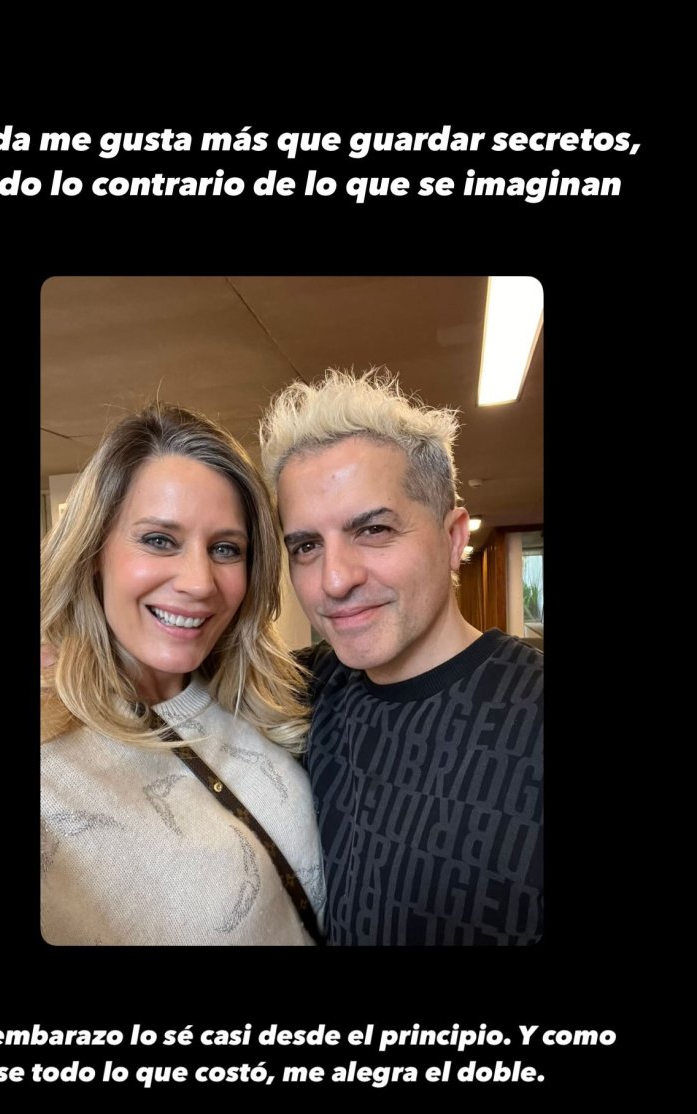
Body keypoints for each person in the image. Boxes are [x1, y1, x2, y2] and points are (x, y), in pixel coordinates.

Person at [259, 369, 543, 947]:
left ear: (454, 537)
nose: (334, 580)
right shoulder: (299, 692)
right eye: (307, 546)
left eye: (373, 530)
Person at [41, 401, 326, 946]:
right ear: (95, 550)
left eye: (225, 549)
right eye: (159, 540)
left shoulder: (265, 704)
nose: (199, 581)